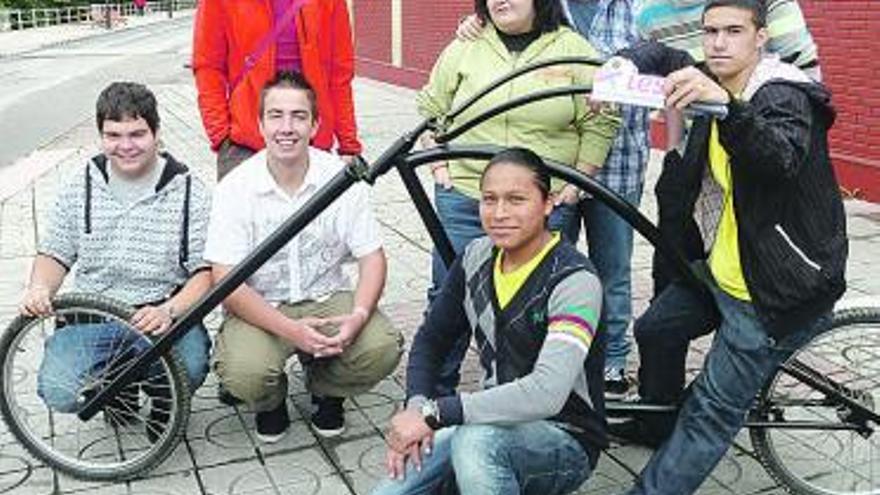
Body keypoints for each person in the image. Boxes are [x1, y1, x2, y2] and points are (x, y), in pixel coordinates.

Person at [606, 1, 847, 492]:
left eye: (733, 31)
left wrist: (727, 109)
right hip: (721, 269)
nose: (718, 42)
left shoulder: (783, 95)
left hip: (772, 287)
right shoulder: (705, 74)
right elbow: (659, 53)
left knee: (709, 415)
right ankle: (658, 427)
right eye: (711, 31)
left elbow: (778, 157)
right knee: (655, 329)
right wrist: (624, 63)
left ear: (761, 38)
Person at [371, 147, 606, 495]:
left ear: (548, 203)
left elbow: (547, 393)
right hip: (493, 419)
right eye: (489, 199)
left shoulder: (575, 280)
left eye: (516, 199)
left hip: (565, 438)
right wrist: (417, 406)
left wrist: (436, 414)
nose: (499, 213)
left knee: (475, 442)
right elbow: (432, 339)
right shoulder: (476, 256)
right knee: (392, 488)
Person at [420, 0, 619, 395]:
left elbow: (602, 120)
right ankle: (433, 396)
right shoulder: (466, 45)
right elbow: (431, 108)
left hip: (540, 206)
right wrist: (440, 169)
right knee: (450, 296)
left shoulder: (574, 51)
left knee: (533, 305)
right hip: (466, 197)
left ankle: (526, 396)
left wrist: (578, 181)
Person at [459, 0, 648, 397]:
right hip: (557, 176)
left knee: (611, 270)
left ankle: (611, 362)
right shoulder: (543, 7)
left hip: (618, 165)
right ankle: (547, 361)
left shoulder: (639, 8)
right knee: (548, 271)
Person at [204, 71, 402, 443]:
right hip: (262, 305)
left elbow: (372, 257)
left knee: (381, 346)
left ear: (315, 125)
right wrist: (292, 331)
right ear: (260, 124)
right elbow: (225, 279)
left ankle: (325, 386)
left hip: (327, 296)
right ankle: (270, 400)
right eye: (276, 116)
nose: (287, 127)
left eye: (298, 116)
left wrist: (358, 317)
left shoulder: (341, 180)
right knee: (243, 372)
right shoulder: (236, 188)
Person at [20, 81, 212, 437]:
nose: (125, 146)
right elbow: (54, 252)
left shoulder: (188, 191)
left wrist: (169, 310)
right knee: (58, 390)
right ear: (100, 136)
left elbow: (205, 273)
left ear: (156, 132)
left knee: (191, 365)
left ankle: (164, 396)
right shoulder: (80, 185)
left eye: (137, 133)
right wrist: (39, 287)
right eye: (113, 135)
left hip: (160, 317)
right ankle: (119, 387)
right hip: (96, 316)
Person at [192, 0, 362, 180]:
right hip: (246, 146)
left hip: (311, 143)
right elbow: (208, 67)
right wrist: (221, 136)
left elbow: (340, 75)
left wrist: (348, 145)